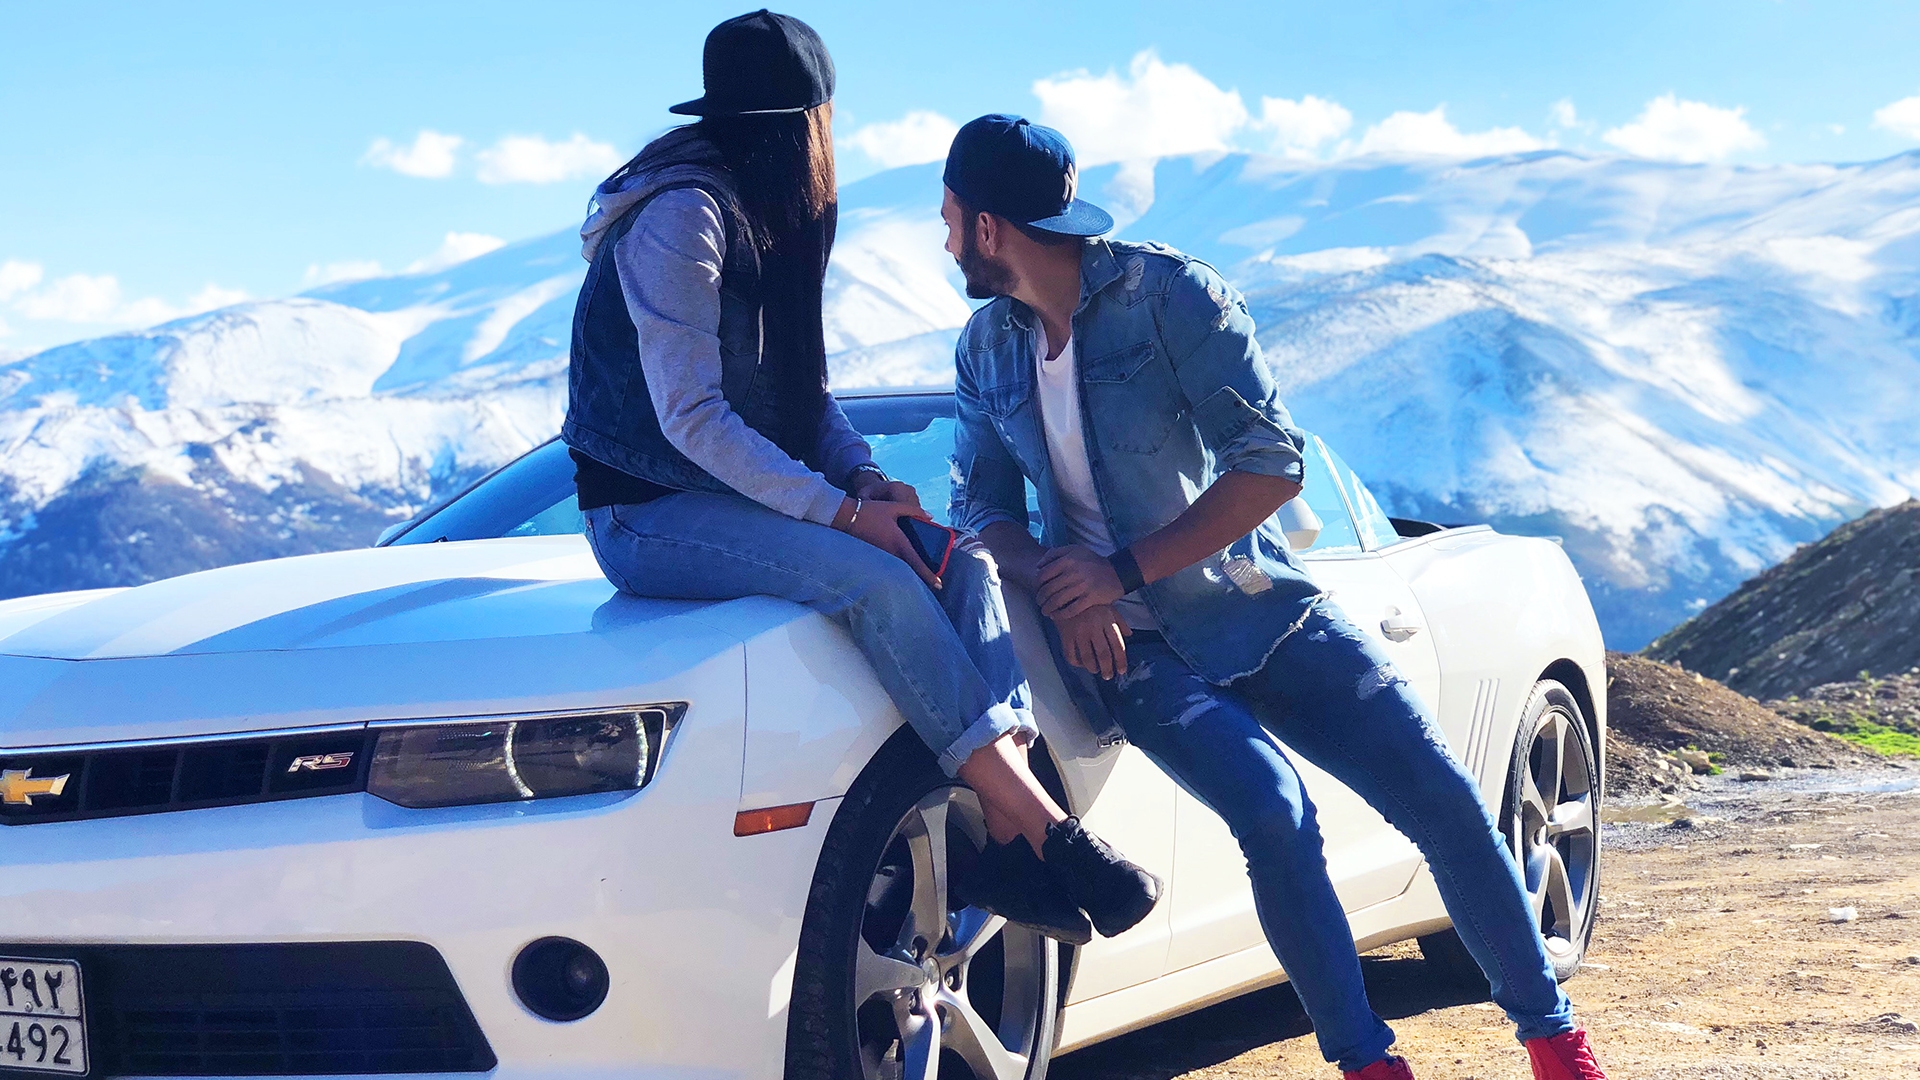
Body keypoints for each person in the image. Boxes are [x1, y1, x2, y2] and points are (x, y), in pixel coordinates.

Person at [941, 113, 1610, 1080]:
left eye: (953, 219)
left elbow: (1273, 465)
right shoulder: (985, 349)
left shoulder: (1172, 297)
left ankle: (1555, 1043)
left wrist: (1119, 571)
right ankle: (1369, 1066)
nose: (946, 239)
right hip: (1132, 652)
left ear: (990, 228)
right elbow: (979, 504)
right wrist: (1067, 590)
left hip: (1258, 600)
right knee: (1274, 812)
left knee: (1444, 799)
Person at [561, 13, 1157, 946]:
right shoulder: (684, 216)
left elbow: (802, 397)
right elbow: (692, 419)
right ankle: (1047, 831)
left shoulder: (764, 211)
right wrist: (841, 515)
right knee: (876, 576)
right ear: (810, 123)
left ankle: (1004, 836)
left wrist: (868, 482)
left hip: (742, 500)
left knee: (964, 565)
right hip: (648, 510)